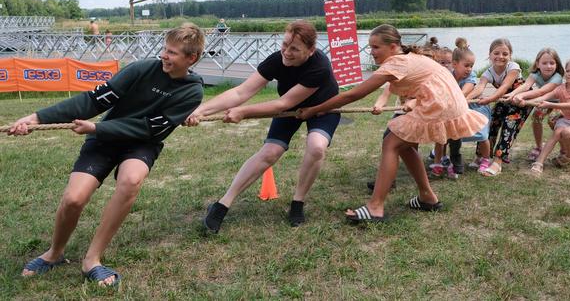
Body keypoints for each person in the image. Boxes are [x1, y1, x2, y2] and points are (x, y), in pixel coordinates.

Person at [8, 23, 205, 287]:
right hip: (104, 138)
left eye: (172, 53)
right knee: (74, 199)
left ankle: (92, 259)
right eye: (164, 49)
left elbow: (149, 128)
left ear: (191, 58)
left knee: (131, 180)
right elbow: (94, 100)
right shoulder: (140, 69)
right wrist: (36, 118)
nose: (163, 56)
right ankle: (54, 253)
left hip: (141, 142)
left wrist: (97, 127)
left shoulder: (192, 91)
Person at [297, 24, 487, 222]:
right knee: (402, 145)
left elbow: (354, 94)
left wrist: (314, 109)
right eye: (370, 47)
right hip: (445, 101)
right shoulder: (406, 58)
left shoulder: (397, 62)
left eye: (376, 47)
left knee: (391, 143)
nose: (372, 52)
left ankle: (375, 207)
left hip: (441, 103)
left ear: (394, 45)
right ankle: (427, 197)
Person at [186, 20, 339, 231]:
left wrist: (243, 111)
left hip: (323, 109)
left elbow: (282, 103)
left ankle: (298, 202)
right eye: (285, 44)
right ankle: (222, 204)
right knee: (270, 152)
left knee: (316, 146)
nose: (287, 52)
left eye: (295, 48)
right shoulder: (276, 60)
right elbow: (241, 92)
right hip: (289, 112)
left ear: (311, 50)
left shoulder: (319, 67)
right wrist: (200, 111)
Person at [466, 38, 527, 177]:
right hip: (503, 100)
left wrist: (489, 99)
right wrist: (466, 99)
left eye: (505, 54)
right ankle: (482, 156)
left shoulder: (513, 67)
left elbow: (505, 86)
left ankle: (498, 161)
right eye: (496, 53)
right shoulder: (488, 72)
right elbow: (479, 87)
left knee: (509, 125)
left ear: (510, 56)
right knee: (490, 123)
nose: (500, 57)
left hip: (519, 101)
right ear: (490, 54)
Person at [432, 38, 493, 176]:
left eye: (472, 65)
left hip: (475, 109)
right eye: (466, 65)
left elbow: (464, 91)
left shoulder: (471, 76)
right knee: (444, 135)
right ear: (454, 64)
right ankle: (440, 160)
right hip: (454, 110)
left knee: (483, 135)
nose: (469, 69)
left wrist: (453, 99)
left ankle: (485, 160)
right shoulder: (448, 76)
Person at [530, 59, 570, 176]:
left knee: (566, 133)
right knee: (557, 133)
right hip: (567, 119)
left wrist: (549, 104)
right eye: (568, 71)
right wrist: (525, 101)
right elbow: (545, 96)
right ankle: (539, 163)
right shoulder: (561, 88)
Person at [503, 48, 564, 161]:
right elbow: (526, 86)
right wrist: (512, 94)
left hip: (559, 104)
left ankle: (564, 149)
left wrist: (522, 96)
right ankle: (539, 146)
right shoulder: (535, 74)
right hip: (543, 102)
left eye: (552, 63)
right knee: (536, 116)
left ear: (557, 64)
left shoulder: (557, 77)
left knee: (554, 121)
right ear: (538, 64)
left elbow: (542, 91)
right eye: (544, 63)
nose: (548, 66)